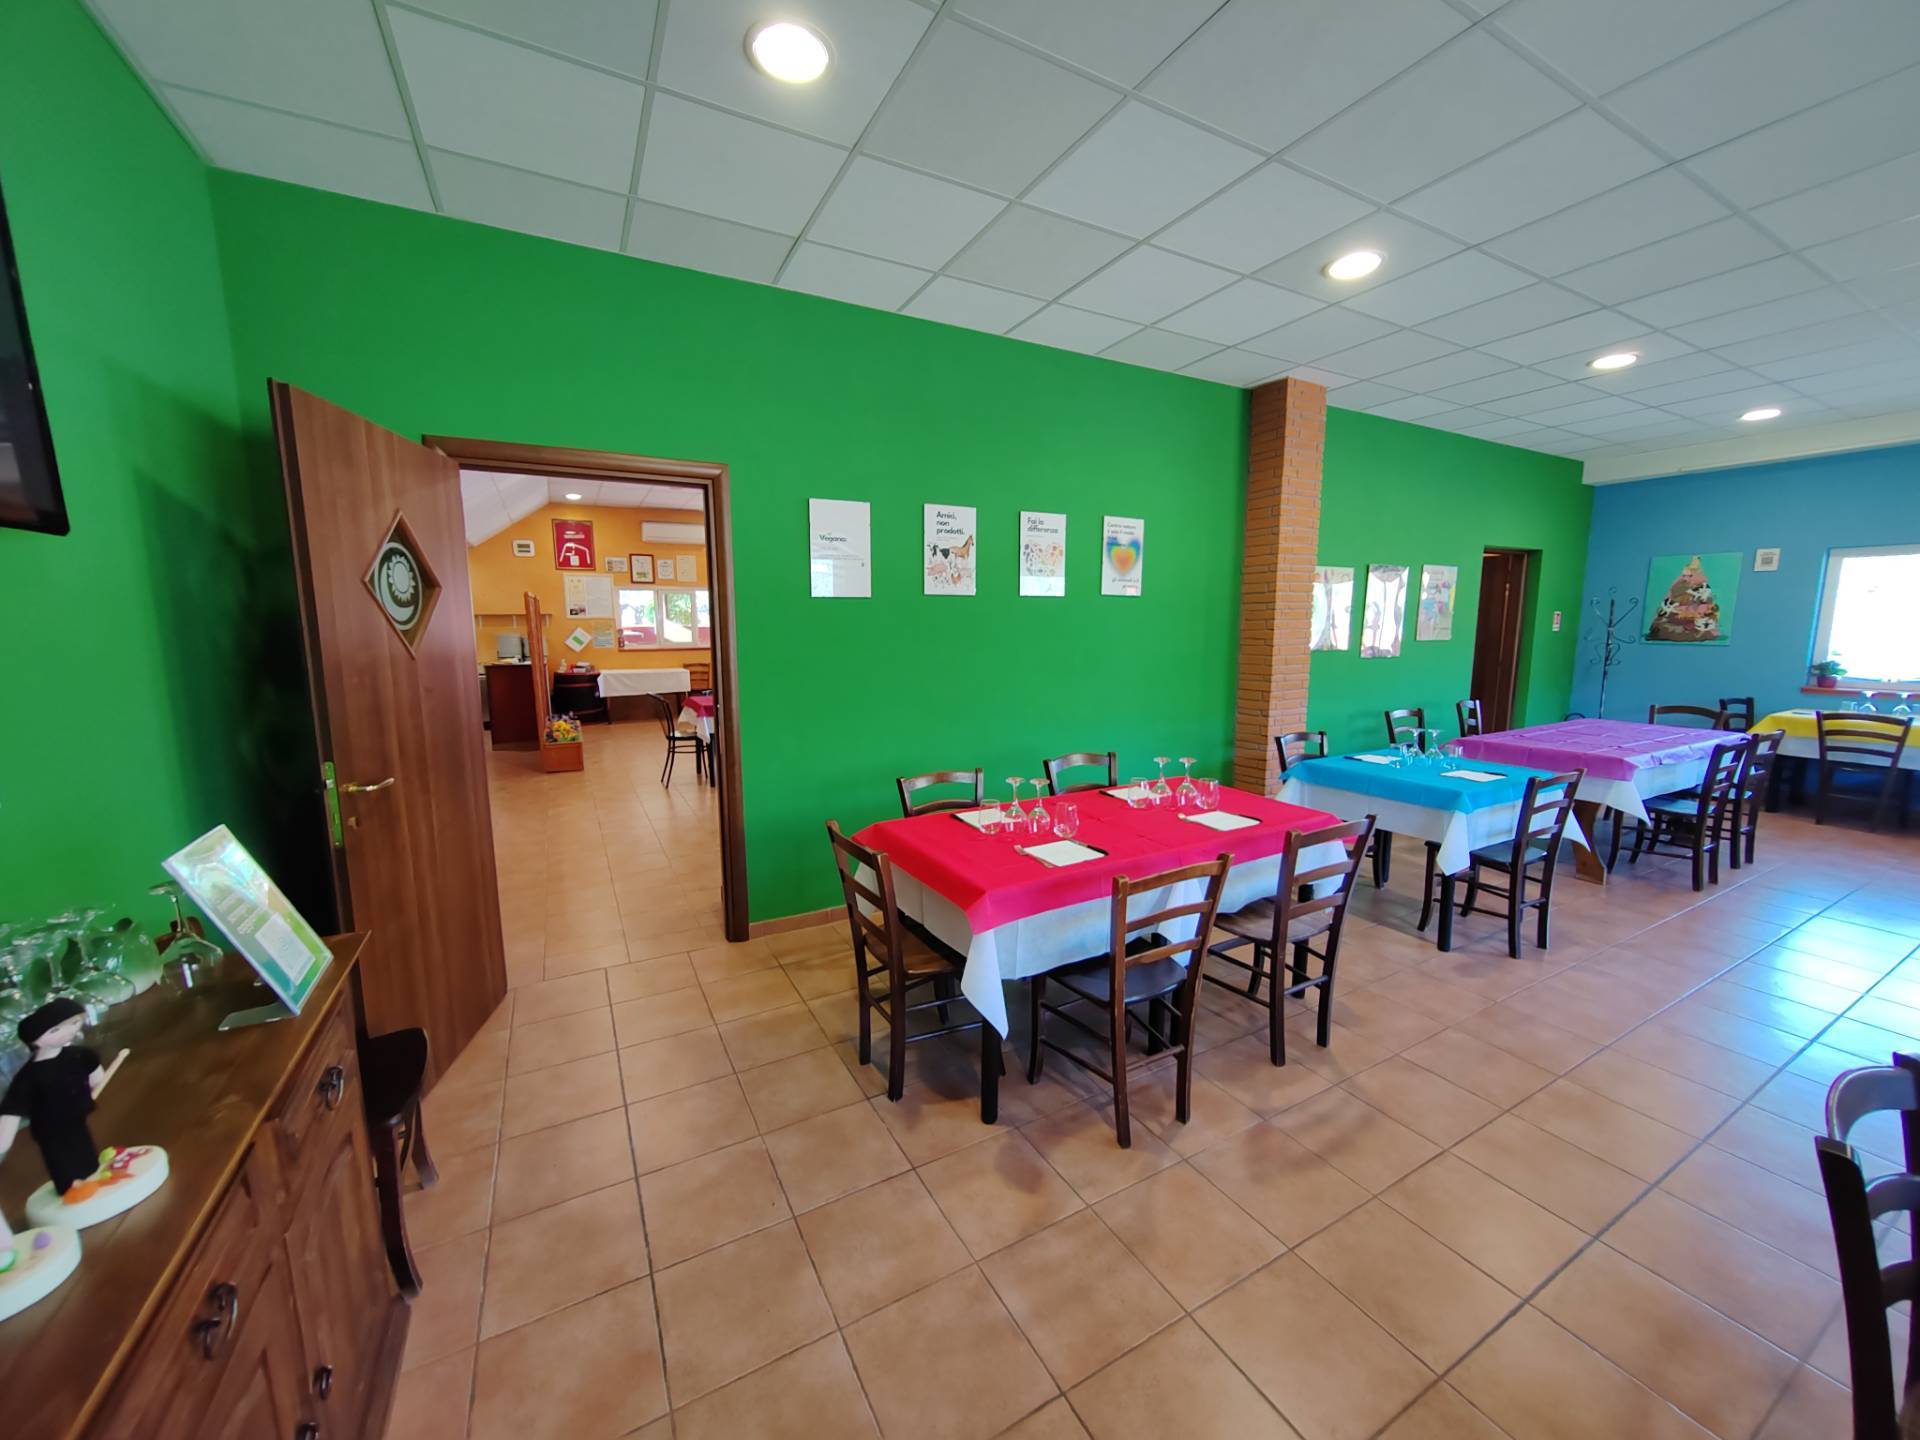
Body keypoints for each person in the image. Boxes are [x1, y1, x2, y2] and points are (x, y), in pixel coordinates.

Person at [0, 998, 130, 1198]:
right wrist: (4, 1141)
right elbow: (13, 1108)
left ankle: (92, 1177)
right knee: (61, 1161)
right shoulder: (29, 1076)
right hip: (50, 1130)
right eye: (55, 1030)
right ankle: (71, 1189)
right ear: (35, 1040)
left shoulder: (79, 1055)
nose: (69, 1031)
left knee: (85, 1151)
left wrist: (90, 1090)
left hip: (77, 1119)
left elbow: (96, 1077)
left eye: (74, 1023)